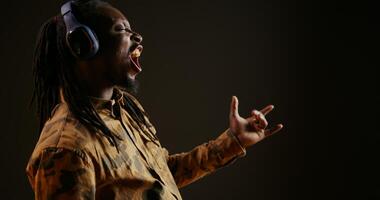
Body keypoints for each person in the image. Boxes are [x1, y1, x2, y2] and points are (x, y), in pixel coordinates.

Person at [26, 0, 283, 199]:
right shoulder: (64, 150)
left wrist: (232, 142)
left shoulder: (125, 109)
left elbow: (162, 175)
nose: (137, 38)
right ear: (84, 45)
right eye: (122, 30)